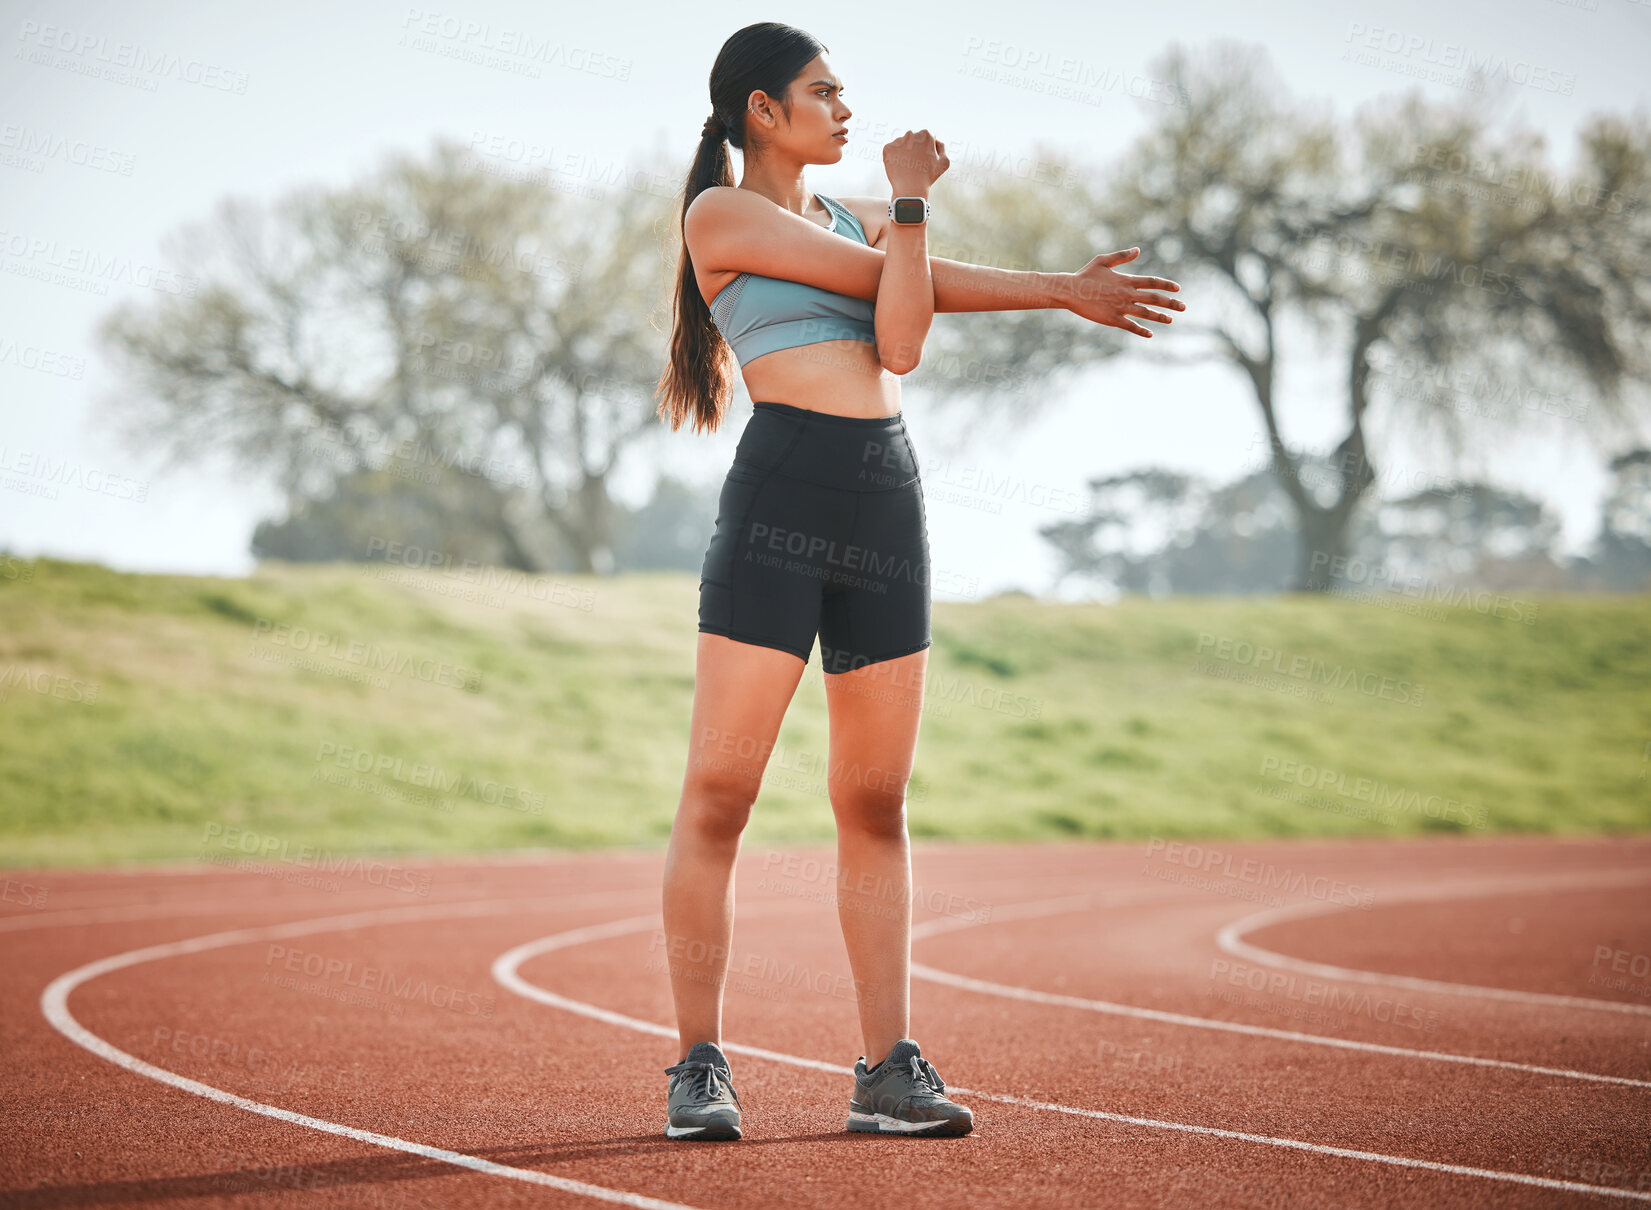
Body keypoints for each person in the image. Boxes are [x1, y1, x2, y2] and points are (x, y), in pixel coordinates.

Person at [652, 21, 1184, 1142]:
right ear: (761, 110)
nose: (845, 110)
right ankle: (699, 1063)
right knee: (720, 798)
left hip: (886, 497)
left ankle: (884, 1069)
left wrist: (906, 209)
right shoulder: (722, 214)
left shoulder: (864, 220)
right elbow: (887, 283)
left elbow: (900, 340)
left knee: (875, 802)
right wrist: (1056, 290)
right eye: (823, 92)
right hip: (783, 495)